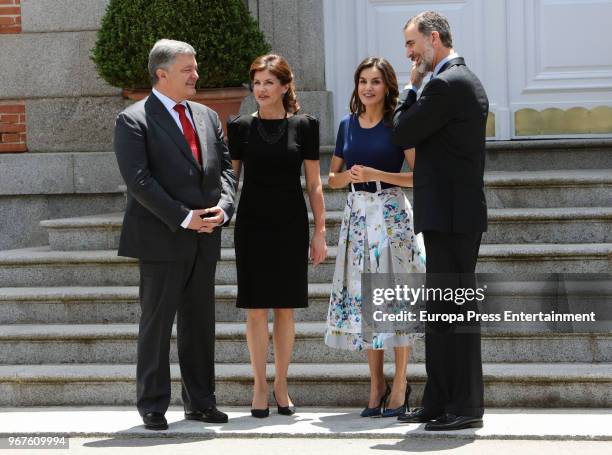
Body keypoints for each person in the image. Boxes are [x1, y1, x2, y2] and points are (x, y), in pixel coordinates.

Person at [114, 39, 236, 430]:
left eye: (195, 68)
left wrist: (225, 208)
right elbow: (139, 181)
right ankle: (152, 404)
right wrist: (185, 218)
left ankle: (201, 402)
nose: (196, 76)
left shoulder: (207, 115)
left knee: (200, 323)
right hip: (162, 238)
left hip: (206, 237)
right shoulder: (133, 120)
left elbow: (227, 171)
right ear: (161, 73)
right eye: (188, 69)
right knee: (157, 323)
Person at [392, 11, 489, 431]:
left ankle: (465, 407)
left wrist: (409, 91)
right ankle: (438, 400)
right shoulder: (451, 82)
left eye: (412, 44)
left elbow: (401, 132)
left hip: (453, 217)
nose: (410, 54)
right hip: (447, 215)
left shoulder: (447, 85)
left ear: (434, 39)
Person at [324, 57, 426, 418]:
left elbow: (418, 176)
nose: (368, 88)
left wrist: (376, 172)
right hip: (357, 219)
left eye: (376, 82)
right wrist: (349, 177)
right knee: (369, 301)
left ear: (387, 87)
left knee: (395, 300)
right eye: (363, 81)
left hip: (393, 218)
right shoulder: (346, 125)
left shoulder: (398, 125)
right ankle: (375, 385)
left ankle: (400, 383)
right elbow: (331, 178)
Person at [227, 54, 327, 418]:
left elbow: (315, 184)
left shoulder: (305, 125)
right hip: (252, 225)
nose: (261, 89)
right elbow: (230, 180)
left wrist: (320, 231)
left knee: (285, 308)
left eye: (268, 82)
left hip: (290, 225)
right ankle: (258, 385)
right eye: (256, 82)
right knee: (255, 309)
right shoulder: (238, 126)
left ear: (285, 86)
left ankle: (282, 383)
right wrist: (218, 211)